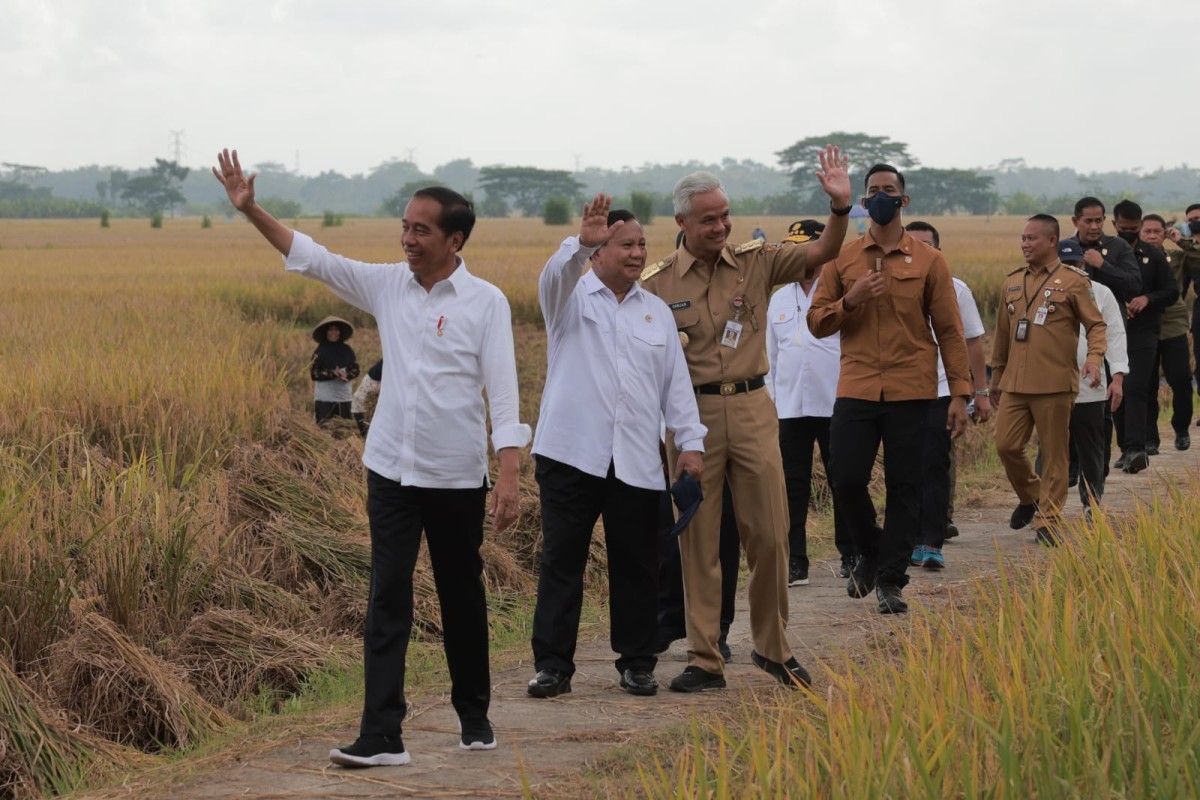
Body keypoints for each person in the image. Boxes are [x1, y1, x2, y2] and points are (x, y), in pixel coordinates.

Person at [212, 150, 531, 767]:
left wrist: (510, 472)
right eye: (405, 226)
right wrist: (252, 210)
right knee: (387, 596)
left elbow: (505, 387)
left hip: (455, 475)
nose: (407, 238)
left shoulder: (485, 302)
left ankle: (474, 713)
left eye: (421, 229)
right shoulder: (387, 284)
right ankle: (382, 733)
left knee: (460, 594)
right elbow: (314, 257)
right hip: (390, 470)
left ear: (454, 238)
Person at [639, 145, 852, 692]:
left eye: (725, 215)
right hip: (692, 419)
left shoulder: (756, 261)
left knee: (771, 535)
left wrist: (839, 208)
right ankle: (705, 658)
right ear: (682, 222)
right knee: (700, 542)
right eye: (708, 219)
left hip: (756, 408)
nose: (721, 226)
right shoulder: (656, 284)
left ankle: (773, 648)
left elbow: (824, 252)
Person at [527, 195, 705, 700]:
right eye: (625, 243)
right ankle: (553, 666)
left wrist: (689, 445)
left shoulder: (656, 314)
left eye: (642, 243)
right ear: (600, 251)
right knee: (563, 561)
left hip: (636, 458)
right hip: (570, 455)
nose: (636, 252)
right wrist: (577, 243)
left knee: (639, 562)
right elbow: (554, 278)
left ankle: (637, 662)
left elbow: (676, 385)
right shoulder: (570, 299)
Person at [808, 165, 971, 614]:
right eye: (873, 191)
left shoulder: (929, 261)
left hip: (912, 390)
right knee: (846, 478)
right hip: (857, 387)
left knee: (905, 486)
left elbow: (951, 332)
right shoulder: (842, 260)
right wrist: (851, 299)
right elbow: (816, 322)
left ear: (904, 200)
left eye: (889, 191)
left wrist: (959, 394)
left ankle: (890, 579)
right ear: (863, 202)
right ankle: (873, 551)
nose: (881, 197)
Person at [990, 215, 1106, 545]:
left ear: (1052, 241)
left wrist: (1095, 359)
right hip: (1015, 382)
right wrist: (996, 376)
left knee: (1055, 453)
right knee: (1005, 444)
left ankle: (1048, 519)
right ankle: (1031, 497)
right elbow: (1002, 334)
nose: (1025, 244)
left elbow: (1096, 326)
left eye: (1032, 239)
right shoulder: (1011, 282)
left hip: (1054, 383)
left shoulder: (1074, 281)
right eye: (1023, 238)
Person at [766, 219, 854, 584]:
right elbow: (769, 356)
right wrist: (771, 402)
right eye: (791, 248)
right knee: (791, 484)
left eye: (805, 246)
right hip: (789, 407)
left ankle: (852, 553)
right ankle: (796, 561)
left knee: (844, 481)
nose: (797, 255)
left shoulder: (839, 289)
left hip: (835, 403)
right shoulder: (778, 297)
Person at [902, 221, 991, 571]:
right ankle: (906, 537)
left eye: (928, 245)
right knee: (905, 467)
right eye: (914, 244)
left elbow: (972, 342)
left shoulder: (957, 289)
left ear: (938, 252)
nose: (921, 251)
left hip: (940, 389)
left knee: (934, 464)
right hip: (899, 391)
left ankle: (930, 541)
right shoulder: (892, 285)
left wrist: (977, 392)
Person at [1035, 241, 1127, 517]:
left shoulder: (1101, 293)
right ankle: (1045, 506)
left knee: (1091, 447)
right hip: (1050, 383)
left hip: (1090, 385)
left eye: (1076, 264)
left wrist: (1118, 377)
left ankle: (1092, 503)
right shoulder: (1040, 292)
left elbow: (1115, 336)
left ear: (1084, 266)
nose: (1072, 270)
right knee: (1049, 447)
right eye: (1066, 265)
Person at [1110, 201, 1177, 473]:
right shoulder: (1105, 254)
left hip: (1144, 332)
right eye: (1123, 228)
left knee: (1136, 387)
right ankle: (1124, 446)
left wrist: (1147, 299)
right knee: (1116, 392)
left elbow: (1170, 291)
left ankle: (1136, 448)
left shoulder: (1153, 255)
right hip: (1112, 333)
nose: (1129, 232)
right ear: (1114, 225)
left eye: (1133, 228)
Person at [1061, 196, 1142, 303]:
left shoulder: (1119, 246)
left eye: (1098, 221)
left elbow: (1135, 285)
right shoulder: (1064, 248)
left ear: (1104, 219)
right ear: (1075, 221)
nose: (1094, 227)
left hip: (1110, 315)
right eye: (1088, 221)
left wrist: (1103, 265)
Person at [1163, 204, 1200, 429]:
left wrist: (1180, 241)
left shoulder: (1188, 247)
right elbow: (1182, 283)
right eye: (1192, 219)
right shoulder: (1188, 249)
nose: (1195, 222)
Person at [310, 315, 362, 429]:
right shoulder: (320, 351)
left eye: (336, 329)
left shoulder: (347, 350)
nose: (333, 332)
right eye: (330, 329)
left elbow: (356, 369)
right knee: (324, 430)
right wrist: (333, 373)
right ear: (326, 332)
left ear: (340, 332)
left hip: (344, 397)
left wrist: (346, 375)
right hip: (325, 399)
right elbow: (314, 373)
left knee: (344, 430)